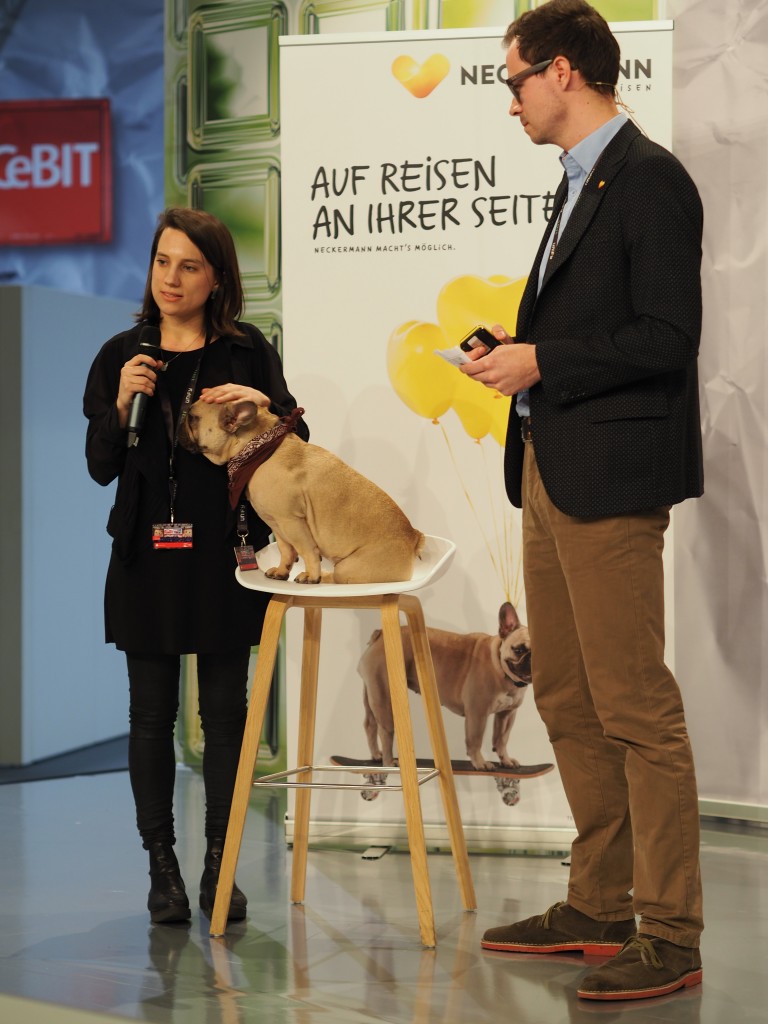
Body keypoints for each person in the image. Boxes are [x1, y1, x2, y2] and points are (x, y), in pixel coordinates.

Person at [461, 0, 705, 1003]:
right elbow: (595, 329)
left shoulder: (650, 180)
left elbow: (665, 338)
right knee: (565, 694)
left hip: (611, 482)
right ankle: (600, 901)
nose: (508, 101)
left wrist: (542, 359)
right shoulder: (575, 185)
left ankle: (673, 927)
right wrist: (516, 358)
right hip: (550, 475)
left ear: (562, 71)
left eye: (512, 79)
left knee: (635, 704)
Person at [83, 207, 308, 925]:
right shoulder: (124, 353)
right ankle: (163, 870)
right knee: (148, 717)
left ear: (216, 279)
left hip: (223, 556)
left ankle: (221, 864)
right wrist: (121, 404)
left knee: (227, 717)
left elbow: (296, 449)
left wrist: (266, 407)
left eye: (189, 266)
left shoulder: (245, 352)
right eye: (161, 262)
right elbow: (98, 467)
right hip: (145, 555)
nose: (171, 279)